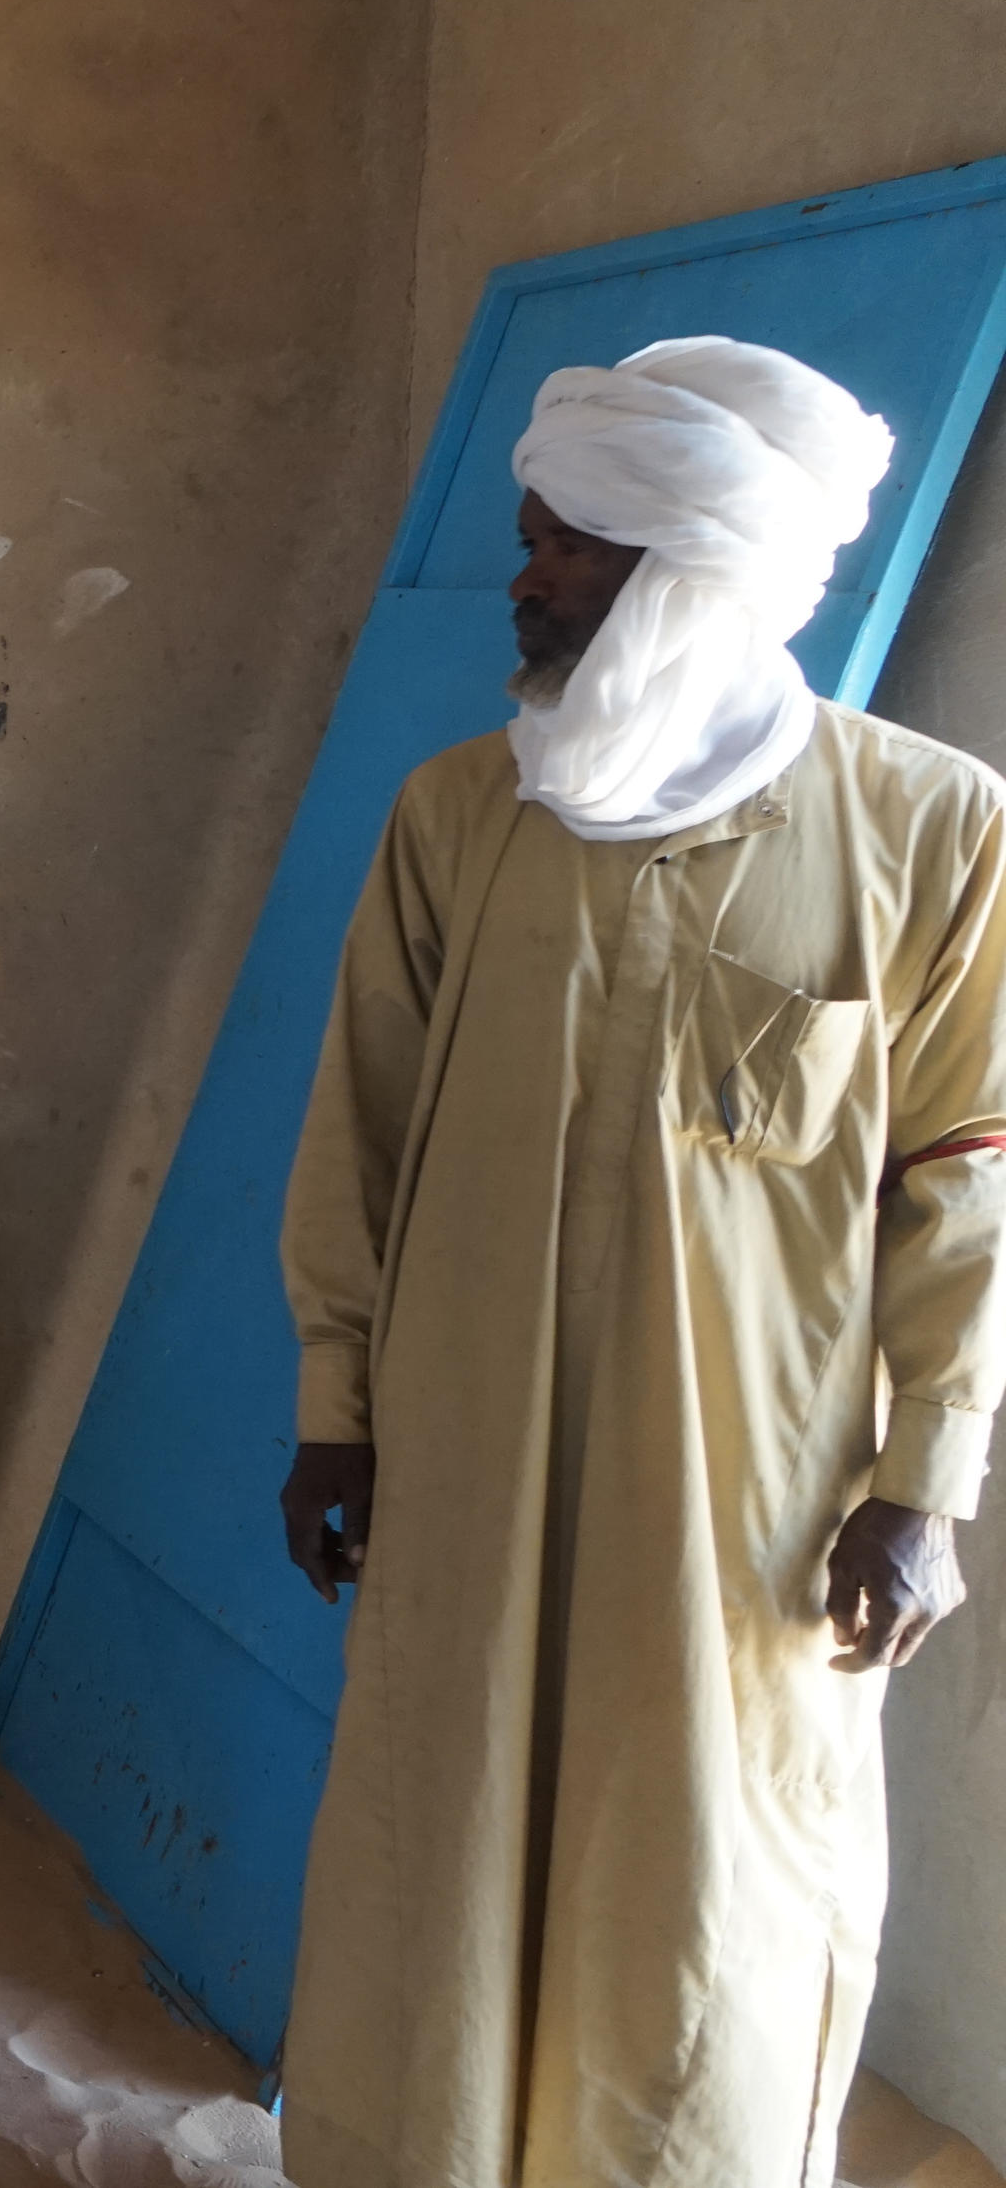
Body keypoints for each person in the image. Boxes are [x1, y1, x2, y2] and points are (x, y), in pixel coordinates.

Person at [275, 338, 991, 2188]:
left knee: (701, 1889)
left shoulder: (934, 832)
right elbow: (353, 1130)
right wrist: (332, 1404)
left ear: (697, 566)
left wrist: (928, 1482)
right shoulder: (457, 818)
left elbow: (965, 1196)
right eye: (533, 541)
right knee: (443, 1848)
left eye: (571, 548)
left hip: (746, 1507)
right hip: (469, 1450)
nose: (526, 581)